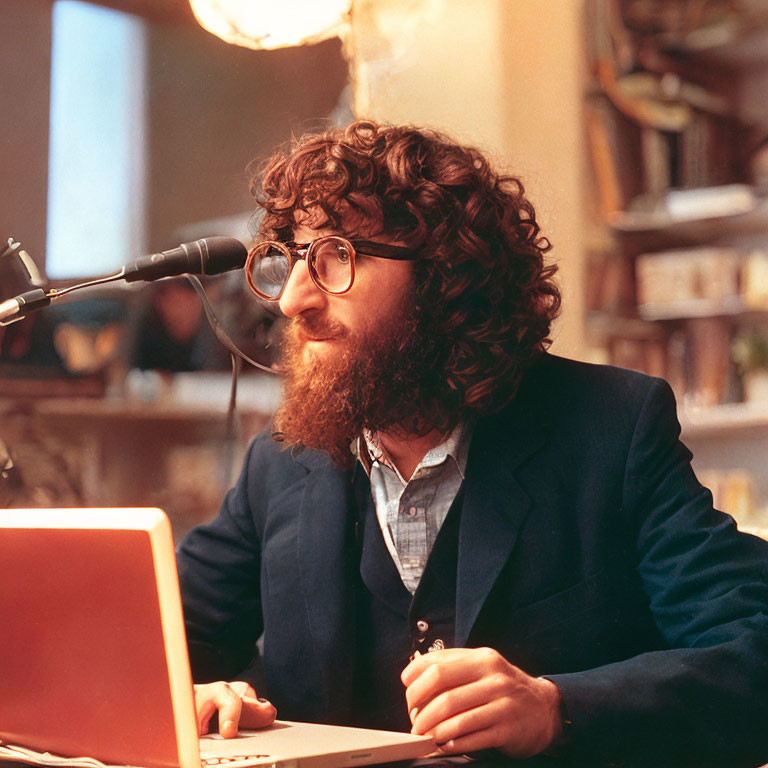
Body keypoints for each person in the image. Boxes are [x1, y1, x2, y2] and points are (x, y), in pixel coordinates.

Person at [177, 121, 768, 767]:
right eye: (290, 257)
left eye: (336, 255)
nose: (293, 300)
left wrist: (556, 707)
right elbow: (165, 637)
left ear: (444, 276)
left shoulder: (612, 428)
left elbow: (750, 650)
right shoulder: (283, 460)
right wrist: (205, 692)